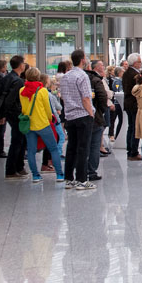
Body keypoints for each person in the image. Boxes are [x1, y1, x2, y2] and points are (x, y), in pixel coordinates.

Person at [19, 67, 64, 184]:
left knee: (31, 151)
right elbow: (48, 110)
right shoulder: (42, 91)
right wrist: (50, 119)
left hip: (29, 124)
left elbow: (23, 109)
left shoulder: (22, 90)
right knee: (53, 148)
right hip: (43, 124)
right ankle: (59, 174)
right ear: (38, 77)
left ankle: (35, 175)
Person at [61, 49, 96, 190]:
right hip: (82, 115)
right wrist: (91, 113)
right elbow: (86, 97)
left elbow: (63, 96)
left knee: (71, 148)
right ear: (82, 60)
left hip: (70, 115)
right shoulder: (82, 76)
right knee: (83, 148)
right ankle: (82, 179)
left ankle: (69, 179)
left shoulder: (65, 76)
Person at [2, 55, 29, 179]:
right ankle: (12, 169)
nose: (24, 65)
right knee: (17, 141)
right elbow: (11, 99)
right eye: (23, 63)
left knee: (19, 140)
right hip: (15, 114)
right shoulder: (18, 81)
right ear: (21, 65)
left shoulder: (8, 77)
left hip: (11, 113)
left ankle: (18, 167)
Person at [86, 60, 109, 182]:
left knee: (81, 145)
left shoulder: (70, 79)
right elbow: (102, 97)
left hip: (76, 118)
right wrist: (101, 111)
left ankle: (80, 170)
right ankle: (91, 171)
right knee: (94, 145)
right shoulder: (96, 80)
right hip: (94, 117)